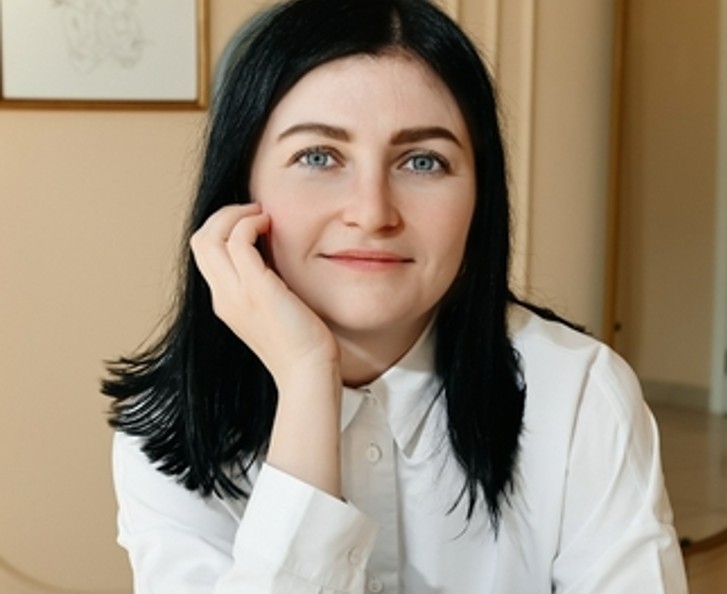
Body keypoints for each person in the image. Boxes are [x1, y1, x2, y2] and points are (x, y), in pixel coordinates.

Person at [103, 0, 689, 592]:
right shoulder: (167, 425)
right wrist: (307, 380)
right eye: (318, 157)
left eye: (423, 161)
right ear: (241, 185)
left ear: (480, 196)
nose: (372, 212)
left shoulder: (579, 393)